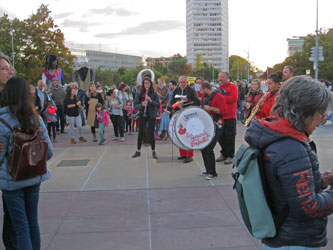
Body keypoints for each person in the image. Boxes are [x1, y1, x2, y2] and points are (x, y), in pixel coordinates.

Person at [245, 75, 333, 249]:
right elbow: (308, 208)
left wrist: (321, 181)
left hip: (282, 235)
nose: (321, 121)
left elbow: (286, 187)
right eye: (321, 114)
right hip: (295, 240)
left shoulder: (277, 135)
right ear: (304, 112)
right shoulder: (291, 147)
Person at [0, 77, 53, 250]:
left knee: (21, 228)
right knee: (32, 224)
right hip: (33, 177)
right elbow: (49, 152)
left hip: (11, 181)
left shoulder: (2, 121)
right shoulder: (36, 119)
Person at [0, 54, 17, 250]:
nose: (10, 71)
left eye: (10, 68)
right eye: (5, 68)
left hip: (10, 164)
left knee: (11, 212)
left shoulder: (12, 97)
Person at [200, 82, 228, 180]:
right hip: (208, 125)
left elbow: (224, 111)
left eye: (201, 90)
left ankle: (212, 173)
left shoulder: (219, 97)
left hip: (217, 125)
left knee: (208, 148)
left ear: (205, 89)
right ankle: (208, 170)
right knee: (203, 147)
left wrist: (210, 108)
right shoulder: (207, 98)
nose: (200, 92)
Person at [170, 76, 200, 163]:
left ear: (187, 82)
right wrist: (177, 105)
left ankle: (189, 155)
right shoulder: (176, 90)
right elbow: (171, 103)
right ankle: (182, 154)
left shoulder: (191, 90)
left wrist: (187, 100)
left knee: (188, 135)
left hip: (189, 115)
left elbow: (197, 102)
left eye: (184, 82)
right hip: (179, 114)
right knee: (180, 134)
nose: (182, 84)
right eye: (180, 82)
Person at [132, 77, 160, 159]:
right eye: (145, 83)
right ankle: (138, 151)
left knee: (152, 133)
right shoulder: (138, 93)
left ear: (150, 84)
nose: (146, 85)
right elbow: (135, 106)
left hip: (151, 115)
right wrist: (141, 105)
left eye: (148, 83)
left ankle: (153, 151)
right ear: (143, 84)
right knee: (140, 132)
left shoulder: (154, 93)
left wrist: (150, 101)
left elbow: (158, 104)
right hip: (142, 114)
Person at [216, 72, 238, 165]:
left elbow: (233, 98)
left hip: (230, 116)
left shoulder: (232, 87)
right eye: (219, 77)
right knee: (220, 136)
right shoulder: (218, 88)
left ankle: (230, 155)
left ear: (227, 78)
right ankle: (223, 153)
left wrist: (221, 98)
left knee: (229, 136)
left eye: (222, 77)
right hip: (220, 116)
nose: (220, 79)